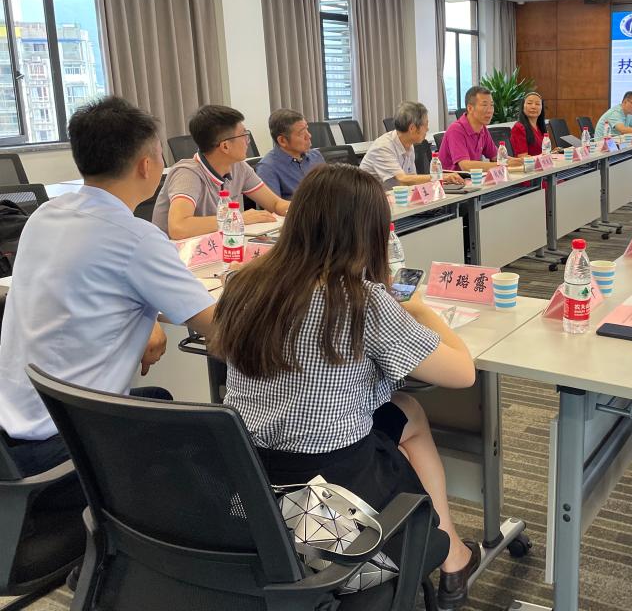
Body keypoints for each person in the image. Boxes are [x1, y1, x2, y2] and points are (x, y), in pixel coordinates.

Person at [211, 164, 481, 608]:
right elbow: (462, 373)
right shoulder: (361, 300)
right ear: (369, 233)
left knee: (406, 410)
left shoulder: (243, 283)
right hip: (333, 513)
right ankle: (450, 552)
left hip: (247, 488)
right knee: (409, 414)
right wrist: (421, 310)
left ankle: (448, 547)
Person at [0, 97, 217, 477]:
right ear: (146, 165)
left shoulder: (45, 215)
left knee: (160, 399)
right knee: (209, 439)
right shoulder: (136, 237)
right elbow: (220, 325)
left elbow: (83, 290)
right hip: (60, 445)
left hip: (13, 429)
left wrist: (145, 318)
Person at [153, 105, 289, 239]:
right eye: (244, 135)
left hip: (221, 246)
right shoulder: (187, 173)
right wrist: (237, 218)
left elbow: (276, 204)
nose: (247, 141)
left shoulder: (239, 167)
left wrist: (300, 210)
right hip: (180, 251)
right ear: (225, 146)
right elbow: (179, 227)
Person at [360, 101, 462, 187]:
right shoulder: (383, 147)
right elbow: (403, 179)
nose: (427, 129)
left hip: (394, 198)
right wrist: (440, 177)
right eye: (425, 124)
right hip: (370, 201)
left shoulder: (409, 144)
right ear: (412, 128)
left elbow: (412, 179)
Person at [438, 86, 522, 172]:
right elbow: (465, 166)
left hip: (473, 178)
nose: (490, 110)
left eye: (492, 105)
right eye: (484, 105)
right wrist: (504, 164)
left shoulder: (482, 129)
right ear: (470, 108)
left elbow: (496, 156)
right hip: (452, 179)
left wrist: (519, 161)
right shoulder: (456, 130)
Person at [256, 109, 326, 199]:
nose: (309, 135)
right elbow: (272, 206)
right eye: (302, 133)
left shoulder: (315, 156)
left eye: (307, 129)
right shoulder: (267, 168)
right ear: (282, 141)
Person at [509, 91, 550, 157]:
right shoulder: (518, 128)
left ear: (541, 108)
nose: (533, 107)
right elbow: (523, 157)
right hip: (529, 163)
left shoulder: (540, 127)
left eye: (537, 104)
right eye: (529, 103)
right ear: (523, 106)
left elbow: (544, 151)